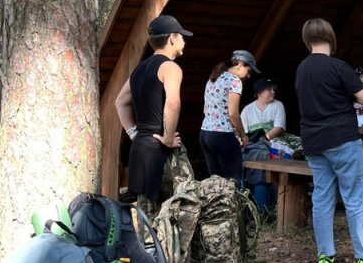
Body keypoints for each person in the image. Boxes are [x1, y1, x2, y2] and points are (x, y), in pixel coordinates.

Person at [296, 19, 363, 263]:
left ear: (307, 39)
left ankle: (325, 257)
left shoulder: (302, 69)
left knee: (322, 197)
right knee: (355, 197)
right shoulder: (338, 66)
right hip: (342, 139)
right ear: (330, 37)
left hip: (313, 141)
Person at [114, 15, 189, 218]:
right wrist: (167, 137)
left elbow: (120, 102)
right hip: (162, 151)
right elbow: (172, 103)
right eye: (182, 36)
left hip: (141, 148)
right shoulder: (170, 68)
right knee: (179, 212)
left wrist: (133, 133)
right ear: (172, 38)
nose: (184, 40)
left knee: (148, 216)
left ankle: (149, 251)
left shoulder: (138, 70)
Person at [200, 50, 259, 181]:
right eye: (249, 71)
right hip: (222, 135)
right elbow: (233, 114)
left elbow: (206, 109)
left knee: (215, 183)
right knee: (233, 182)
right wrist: (243, 134)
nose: (249, 76)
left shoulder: (213, 78)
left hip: (205, 134)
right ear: (240, 65)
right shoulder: (234, 81)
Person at [240, 78, 286, 212]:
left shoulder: (278, 105)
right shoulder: (247, 110)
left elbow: (279, 127)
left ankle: (269, 209)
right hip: (254, 148)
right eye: (269, 89)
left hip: (272, 145)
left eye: (273, 89)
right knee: (258, 170)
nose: (273, 92)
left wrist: (264, 137)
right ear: (259, 93)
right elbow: (243, 132)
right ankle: (260, 210)